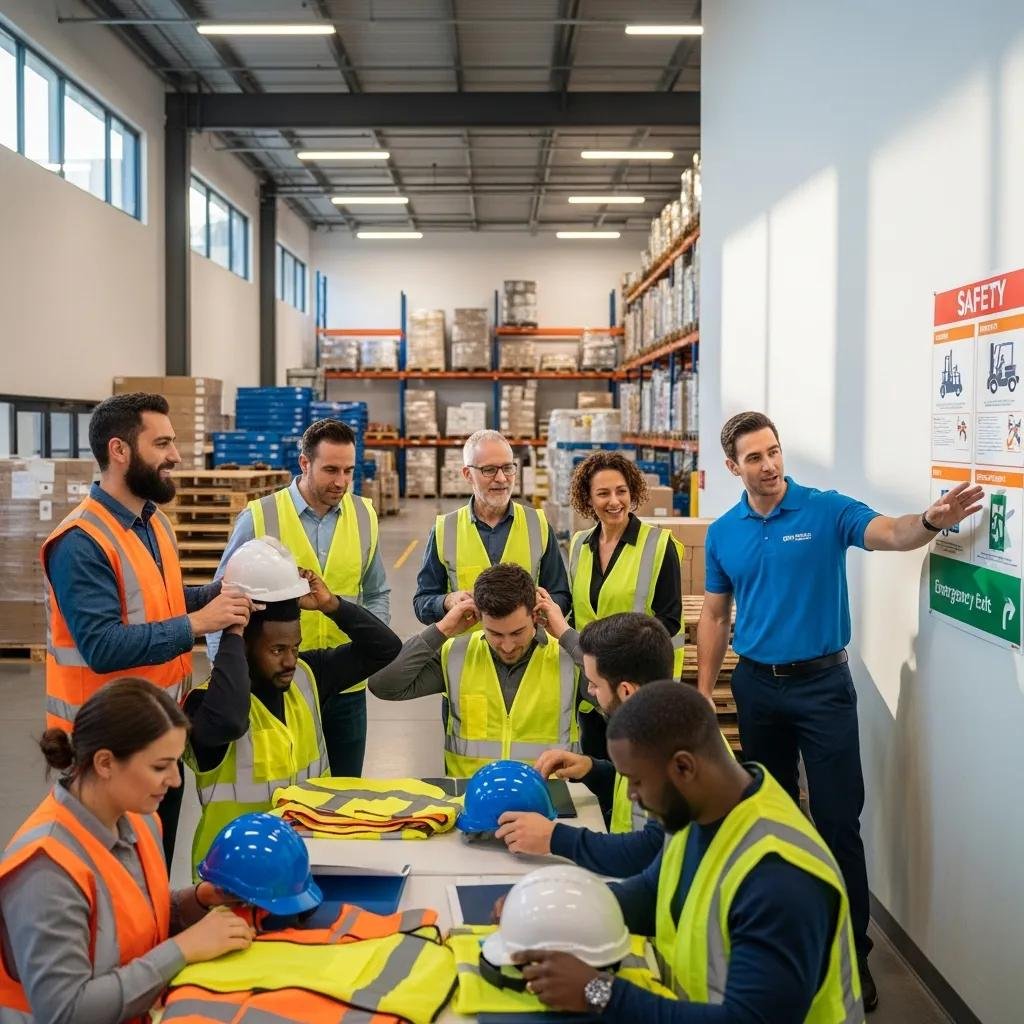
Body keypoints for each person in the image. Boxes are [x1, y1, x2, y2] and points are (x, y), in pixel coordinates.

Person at [696, 410, 984, 1012]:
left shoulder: (825, 509)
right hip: (756, 688)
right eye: (754, 457)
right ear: (733, 467)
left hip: (823, 687)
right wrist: (702, 691)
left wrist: (931, 520)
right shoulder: (725, 532)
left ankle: (851, 952)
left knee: (836, 823)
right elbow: (717, 617)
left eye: (773, 451)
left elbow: (893, 532)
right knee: (767, 822)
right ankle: (778, 943)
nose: (769, 465)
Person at [510, 682, 865, 1022]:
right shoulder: (706, 810)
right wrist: (549, 909)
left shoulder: (779, 878)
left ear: (683, 767)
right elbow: (653, 892)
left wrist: (597, 992)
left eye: (636, 781)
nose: (632, 795)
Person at [42, 392, 254, 863]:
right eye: (162, 444)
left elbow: (161, 603)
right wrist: (199, 623)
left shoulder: (151, 523)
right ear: (120, 451)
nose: (175, 456)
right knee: (114, 877)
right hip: (106, 753)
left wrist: (222, 592)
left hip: (158, 735)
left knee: (153, 867)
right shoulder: (81, 541)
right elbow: (101, 645)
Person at [0, 678, 256, 1024]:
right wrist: (182, 950)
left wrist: (199, 899)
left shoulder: (138, 820)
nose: (175, 780)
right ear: (105, 763)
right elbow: (65, 1012)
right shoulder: (45, 871)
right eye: (159, 766)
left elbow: (129, 920)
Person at [184, 544, 401, 869]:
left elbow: (385, 648)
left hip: (308, 866)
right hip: (233, 879)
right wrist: (232, 630)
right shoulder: (205, 704)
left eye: (296, 647)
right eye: (277, 650)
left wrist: (332, 605)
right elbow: (230, 721)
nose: (290, 661)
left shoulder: (308, 677)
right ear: (242, 644)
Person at [211, 417, 390, 779]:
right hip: (277, 686)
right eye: (330, 470)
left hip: (344, 683)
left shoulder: (364, 515)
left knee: (344, 794)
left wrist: (368, 646)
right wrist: (227, 678)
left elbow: (377, 591)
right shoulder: (259, 517)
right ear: (304, 463)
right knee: (282, 788)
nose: (341, 481)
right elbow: (221, 603)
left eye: (348, 471)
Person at [494, 611, 672, 877]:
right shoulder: (655, 725)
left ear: (626, 691)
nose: (589, 691)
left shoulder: (667, 750)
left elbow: (650, 851)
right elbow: (644, 802)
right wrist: (591, 769)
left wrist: (554, 838)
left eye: (595, 684)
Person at [369, 563, 580, 777]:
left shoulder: (567, 658)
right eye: (496, 634)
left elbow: (613, 693)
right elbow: (382, 685)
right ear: (479, 618)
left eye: (517, 633)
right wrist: (443, 629)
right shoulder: (455, 655)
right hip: (469, 797)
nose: (507, 646)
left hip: (548, 798)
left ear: (536, 615)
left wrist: (566, 633)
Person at [566, 450, 684, 759]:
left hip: (637, 689)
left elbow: (669, 621)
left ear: (632, 492)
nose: (614, 501)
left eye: (621, 491)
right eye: (603, 493)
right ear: (588, 500)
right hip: (592, 689)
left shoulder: (659, 545)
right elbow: (578, 611)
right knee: (596, 774)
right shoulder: (579, 545)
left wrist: (616, 654)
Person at [413, 429, 570, 625]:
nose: (502, 478)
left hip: (527, 653)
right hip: (467, 653)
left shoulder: (537, 524)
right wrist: (446, 601)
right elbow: (422, 603)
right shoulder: (445, 529)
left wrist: (546, 605)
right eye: (489, 470)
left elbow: (562, 596)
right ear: (468, 474)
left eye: (508, 468)